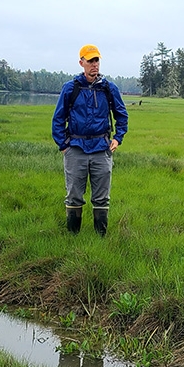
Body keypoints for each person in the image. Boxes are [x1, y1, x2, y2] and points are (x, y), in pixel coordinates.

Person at [51, 45, 129, 237]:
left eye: (97, 60)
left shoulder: (109, 88)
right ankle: (73, 237)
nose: (95, 64)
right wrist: (64, 146)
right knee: (74, 196)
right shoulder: (71, 88)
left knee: (102, 197)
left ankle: (100, 238)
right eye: (90, 61)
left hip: (101, 149)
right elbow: (58, 119)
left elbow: (122, 115)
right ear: (81, 63)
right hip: (75, 148)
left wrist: (117, 138)